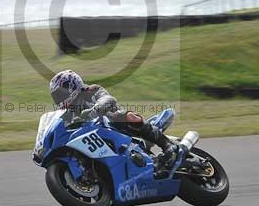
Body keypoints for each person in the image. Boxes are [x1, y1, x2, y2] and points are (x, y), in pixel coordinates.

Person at [49, 69, 177, 169]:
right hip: (95, 139)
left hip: (117, 127)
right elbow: (60, 126)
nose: (59, 98)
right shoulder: (68, 112)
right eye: (56, 96)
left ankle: (167, 145)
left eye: (61, 94)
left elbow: (108, 99)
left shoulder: (91, 90)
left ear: (72, 86)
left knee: (124, 117)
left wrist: (97, 108)